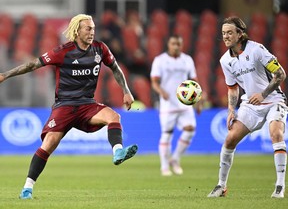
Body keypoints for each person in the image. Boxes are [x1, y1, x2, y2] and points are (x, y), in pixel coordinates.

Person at [0, 14, 138, 199]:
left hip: (87, 105)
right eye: (87, 28)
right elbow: (33, 64)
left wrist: (126, 91)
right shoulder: (62, 51)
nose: (91, 32)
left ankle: (117, 151)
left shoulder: (100, 49)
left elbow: (115, 68)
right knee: (48, 145)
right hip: (64, 106)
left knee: (114, 116)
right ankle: (27, 188)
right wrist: (5, 75)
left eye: (93, 28)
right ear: (77, 30)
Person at [207, 16, 287, 198]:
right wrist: (230, 110)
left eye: (229, 33)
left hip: (273, 100)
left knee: (276, 134)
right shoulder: (225, 60)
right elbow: (232, 88)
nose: (225, 36)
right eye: (223, 33)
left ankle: (280, 186)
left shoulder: (257, 49)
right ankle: (221, 186)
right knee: (229, 139)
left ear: (240, 34)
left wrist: (263, 94)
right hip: (250, 105)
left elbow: (280, 74)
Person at [150, 34, 202, 176]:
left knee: (190, 129)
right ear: (168, 44)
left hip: (184, 103)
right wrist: (161, 92)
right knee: (167, 134)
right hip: (168, 104)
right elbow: (154, 81)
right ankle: (164, 166)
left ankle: (175, 159)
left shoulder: (187, 60)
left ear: (182, 45)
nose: (176, 46)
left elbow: (194, 81)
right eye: (173, 43)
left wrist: (198, 102)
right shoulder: (160, 60)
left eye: (179, 44)